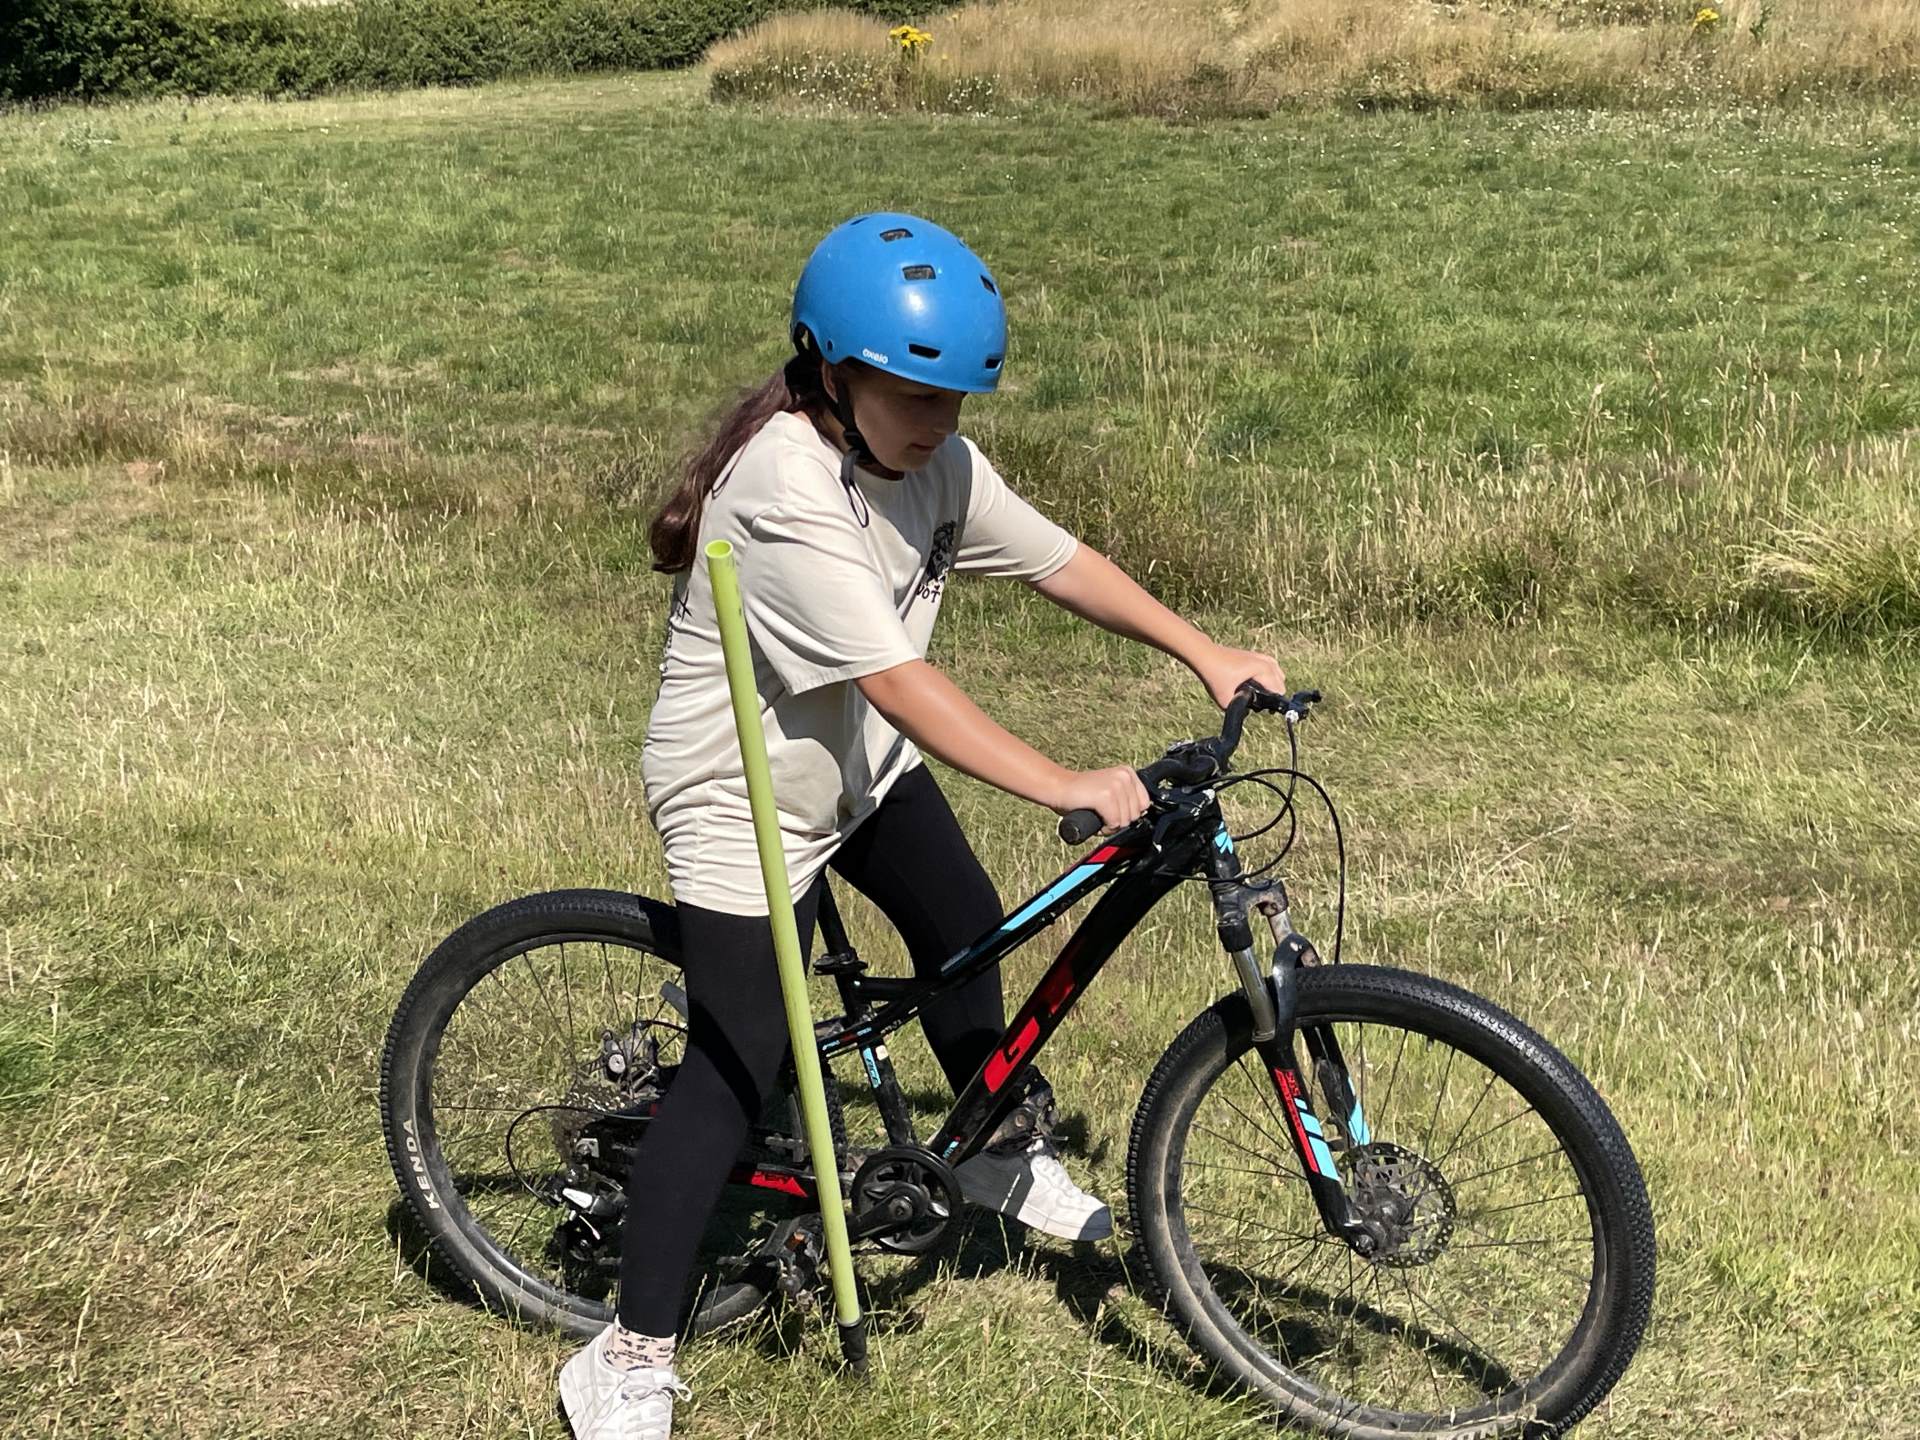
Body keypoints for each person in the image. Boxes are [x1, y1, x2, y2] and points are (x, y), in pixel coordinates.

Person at [558, 212, 1285, 1439]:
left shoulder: (935, 464)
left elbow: (1059, 561)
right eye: (912, 395)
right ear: (830, 374)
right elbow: (900, 681)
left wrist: (1205, 652)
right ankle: (628, 1351)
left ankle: (988, 1147)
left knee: (963, 923)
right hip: (743, 793)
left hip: (855, 760)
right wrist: (1058, 778)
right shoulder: (782, 486)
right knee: (741, 1063)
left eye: (954, 399)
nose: (938, 422)